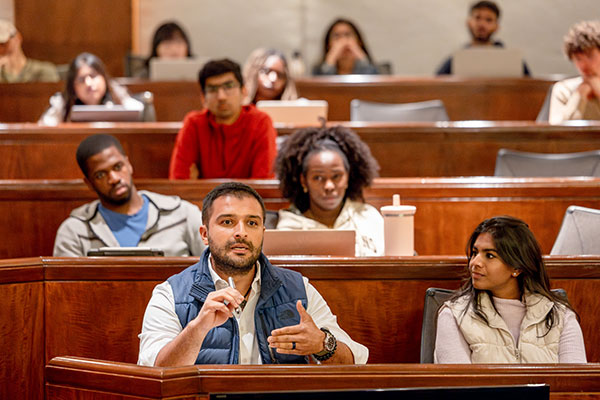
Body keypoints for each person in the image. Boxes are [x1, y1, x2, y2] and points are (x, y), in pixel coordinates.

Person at [138, 182, 368, 366]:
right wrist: (197, 329)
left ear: (263, 231)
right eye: (227, 222)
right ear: (204, 234)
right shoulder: (170, 293)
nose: (241, 233)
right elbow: (154, 374)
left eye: (252, 223)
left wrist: (322, 344)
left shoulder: (298, 288)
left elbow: (356, 362)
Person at [434, 216, 587, 363]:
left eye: (489, 255)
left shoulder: (561, 317)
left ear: (517, 267)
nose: (475, 262)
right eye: (475, 253)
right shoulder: (454, 315)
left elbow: (574, 384)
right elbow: (460, 387)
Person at [53, 134, 205, 257]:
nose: (114, 178)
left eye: (118, 167)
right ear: (89, 183)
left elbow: (215, 272)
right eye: (100, 175)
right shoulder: (74, 232)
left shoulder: (183, 214)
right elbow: (66, 292)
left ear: (128, 164)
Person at [274, 126, 383, 256]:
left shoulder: (368, 217)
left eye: (336, 176)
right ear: (304, 181)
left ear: (348, 177)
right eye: (318, 178)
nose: (329, 186)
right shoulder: (289, 227)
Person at [169, 59, 277, 179]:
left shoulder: (260, 122)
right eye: (213, 89)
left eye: (228, 86)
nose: (221, 96)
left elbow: (263, 182)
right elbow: (179, 180)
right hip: (200, 199)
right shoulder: (194, 123)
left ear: (244, 91)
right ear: (203, 98)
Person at [39, 52, 143, 125]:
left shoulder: (118, 95)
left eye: (93, 76)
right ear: (73, 87)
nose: (88, 83)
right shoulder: (62, 104)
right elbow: (44, 129)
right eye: (81, 79)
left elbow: (139, 112)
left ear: (104, 78)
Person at [436, 1, 531, 76]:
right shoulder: (457, 59)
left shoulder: (512, 60)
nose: (482, 24)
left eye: (488, 20)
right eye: (477, 18)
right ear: (469, 22)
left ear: (496, 26)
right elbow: (436, 83)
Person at [549, 20, 600, 125]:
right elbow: (556, 130)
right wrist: (578, 96)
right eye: (578, 59)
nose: (584, 65)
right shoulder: (563, 89)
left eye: (590, 56)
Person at [313, 18, 378, 75]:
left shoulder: (373, 68)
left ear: (359, 41)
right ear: (328, 44)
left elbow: (373, 82)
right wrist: (330, 61)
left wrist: (362, 58)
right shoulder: (317, 70)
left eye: (348, 35)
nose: (343, 41)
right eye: (336, 36)